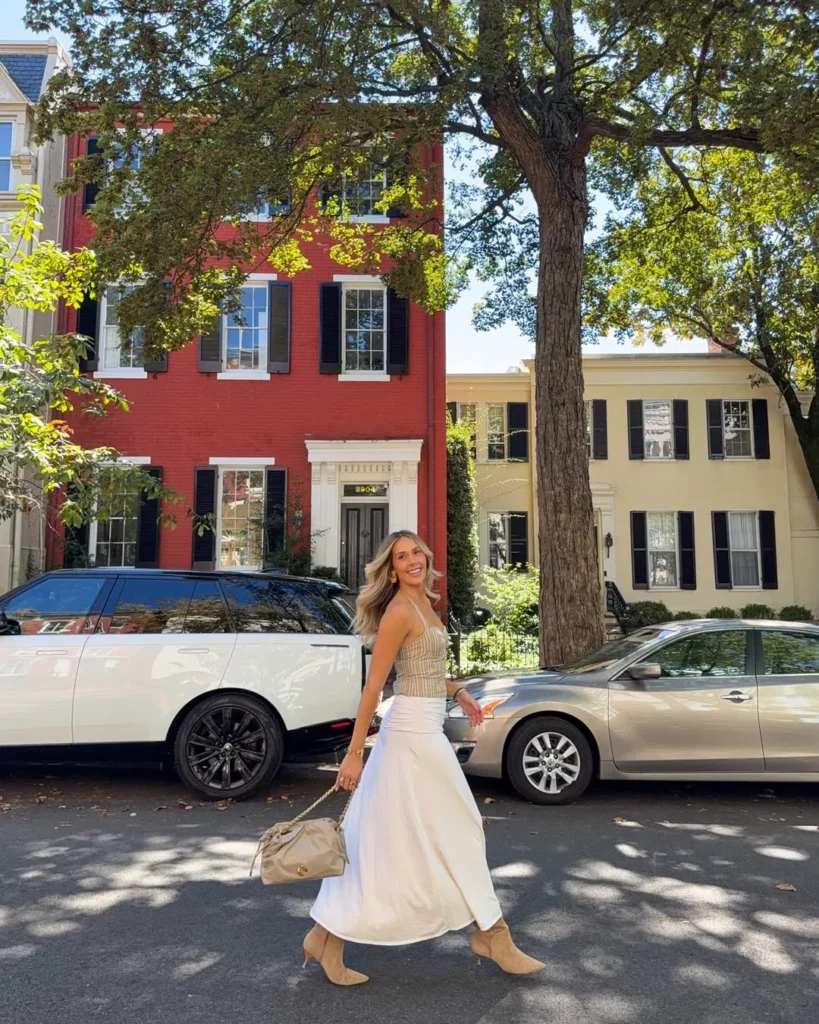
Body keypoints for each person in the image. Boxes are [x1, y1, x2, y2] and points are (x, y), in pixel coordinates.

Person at [304, 530, 544, 985]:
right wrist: (354, 753)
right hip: (411, 734)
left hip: (424, 726)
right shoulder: (398, 611)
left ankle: (324, 938)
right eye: (401, 556)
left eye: (416, 552)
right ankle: (493, 935)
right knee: (461, 828)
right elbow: (375, 686)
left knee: (377, 841)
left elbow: (425, 669)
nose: (412, 560)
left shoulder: (425, 606)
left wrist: (460, 692)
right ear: (391, 569)